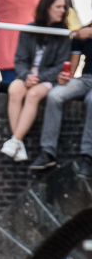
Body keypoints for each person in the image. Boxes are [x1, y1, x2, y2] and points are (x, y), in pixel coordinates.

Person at [1, 0, 73, 162]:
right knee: (14, 90)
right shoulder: (29, 29)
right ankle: (18, 145)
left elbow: (59, 65)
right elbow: (20, 59)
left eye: (64, 7)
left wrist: (39, 78)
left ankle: (15, 140)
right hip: (28, 76)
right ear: (47, 7)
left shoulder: (64, 33)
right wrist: (27, 75)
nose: (63, 11)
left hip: (47, 79)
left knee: (33, 95)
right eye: (58, 7)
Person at [33, 22, 92, 175]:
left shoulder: (88, 32)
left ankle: (87, 156)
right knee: (55, 95)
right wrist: (64, 77)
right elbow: (72, 68)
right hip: (85, 78)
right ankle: (47, 152)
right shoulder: (83, 32)